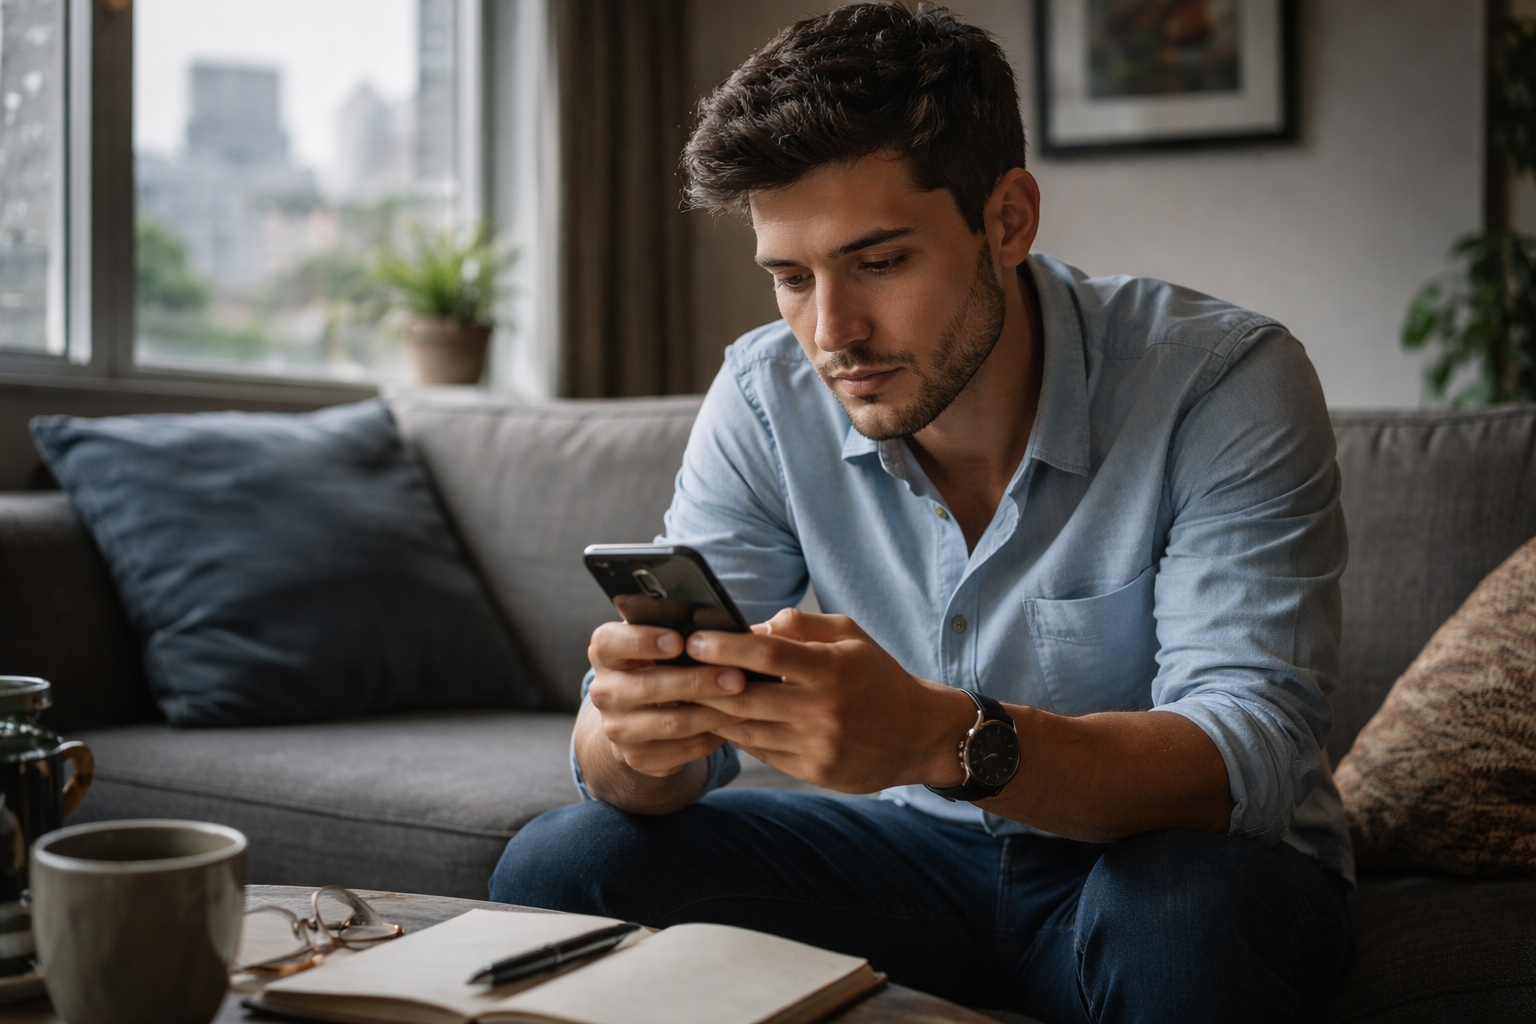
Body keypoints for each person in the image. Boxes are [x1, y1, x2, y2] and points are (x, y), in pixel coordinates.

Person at [490, 4, 1353, 1021]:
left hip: (1168, 862)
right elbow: (637, 758)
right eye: (790, 278)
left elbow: (1241, 753)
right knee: (564, 864)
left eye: (880, 261)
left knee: (1183, 917)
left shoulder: (1222, 381)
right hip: (918, 857)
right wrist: (632, 735)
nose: (832, 331)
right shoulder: (769, 394)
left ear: (1008, 219)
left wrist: (940, 741)